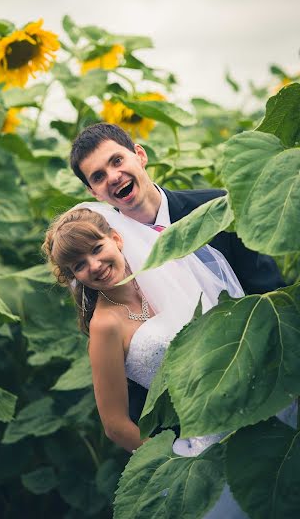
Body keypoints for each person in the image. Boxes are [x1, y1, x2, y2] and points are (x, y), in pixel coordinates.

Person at [69, 123, 286, 423]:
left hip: (265, 373)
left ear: (140, 155)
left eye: (117, 161)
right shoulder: (105, 256)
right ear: (93, 192)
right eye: (99, 176)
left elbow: (269, 290)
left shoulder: (217, 207)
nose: (113, 177)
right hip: (188, 415)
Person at [43, 204, 249, 518]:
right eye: (79, 265)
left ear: (116, 238)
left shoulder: (164, 271)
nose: (95, 265)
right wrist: (179, 461)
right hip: (205, 442)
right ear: (73, 276)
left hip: (249, 405)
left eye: (97, 249)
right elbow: (114, 426)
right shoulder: (105, 327)